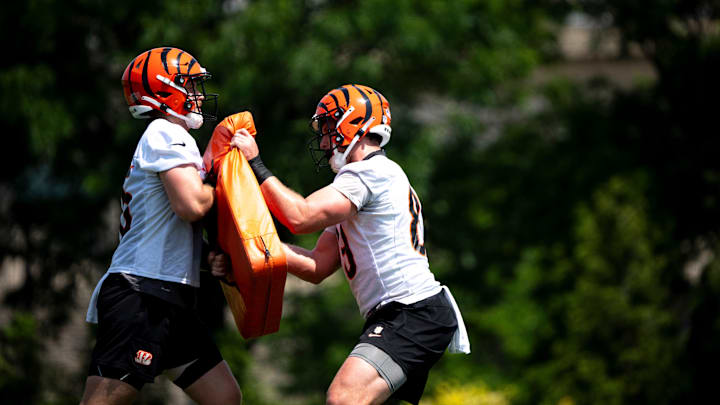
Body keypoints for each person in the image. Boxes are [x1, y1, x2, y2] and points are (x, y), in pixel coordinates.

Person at [229, 84, 470, 405]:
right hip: (405, 314)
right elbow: (316, 267)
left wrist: (255, 164)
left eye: (330, 127)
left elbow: (299, 217)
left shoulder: (369, 173)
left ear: (354, 124)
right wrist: (246, 247)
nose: (325, 140)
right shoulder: (368, 180)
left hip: (411, 312)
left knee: (343, 398)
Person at [79, 47, 242, 405]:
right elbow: (192, 205)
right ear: (166, 90)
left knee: (225, 396)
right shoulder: (165, 132)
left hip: (170, 294)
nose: (198, 95)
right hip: (144, 293)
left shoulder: (170, 136)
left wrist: (206, 257)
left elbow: (168, 229)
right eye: (191, 85)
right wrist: (237, 183)